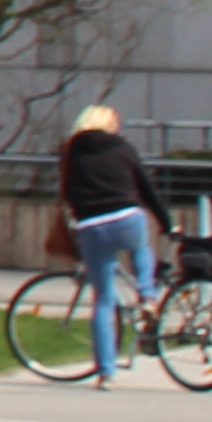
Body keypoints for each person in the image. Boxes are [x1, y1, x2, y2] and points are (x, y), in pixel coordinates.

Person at [51, 104, 167, 386]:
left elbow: (66, 191)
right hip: (127, 217)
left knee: (103, 300)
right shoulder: (122, 148)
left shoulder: (70, 151)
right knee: (140, 248)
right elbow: (145, 188)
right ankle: (148, 297)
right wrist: (168, 222)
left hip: (91, 226)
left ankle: (105, 373)